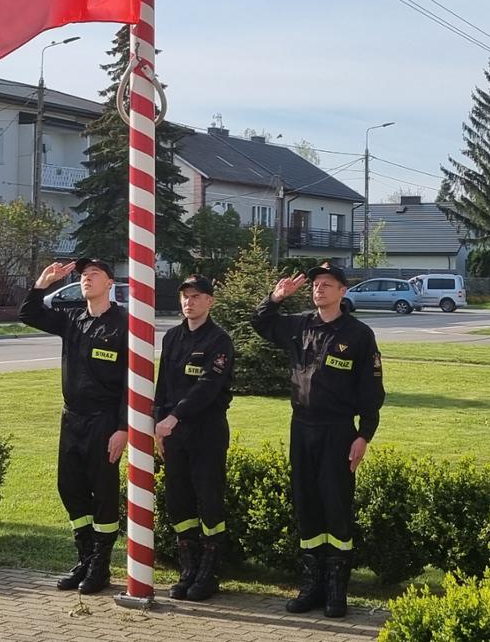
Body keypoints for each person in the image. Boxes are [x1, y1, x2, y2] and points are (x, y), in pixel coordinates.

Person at [253, 263, 384, 619]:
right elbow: (260, 323)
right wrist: (276, 298)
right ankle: (312, 587)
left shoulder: (358, 334)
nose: (319, 289)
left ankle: (336, 592)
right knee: (306, 505)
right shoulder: (299, 325)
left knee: (336, 507)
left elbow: (372, 391)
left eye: (327, 284)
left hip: (338, 430)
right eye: (315, 285)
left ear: (343, 291)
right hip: (303, 427)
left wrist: (364, 435)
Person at [21, 257, 127, 594]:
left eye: (95, 274)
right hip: (72, 418)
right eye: (83, 275)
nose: (87, 279)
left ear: (110, 282)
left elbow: (131, 381)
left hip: (104, 421)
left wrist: (123, 428)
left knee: (104, 493)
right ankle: (84, 557)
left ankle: (101, 565)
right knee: (70, 487)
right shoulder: (73, 319)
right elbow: (29, 314)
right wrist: (42, 284)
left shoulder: (123, 324)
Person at [154, 275, 236, 601]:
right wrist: (158, 422)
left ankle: (209, 572)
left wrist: (174, 417)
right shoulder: (173, 337)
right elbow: (162, 386)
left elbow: (207, 387)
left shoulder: (219, 341)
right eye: (185, 296)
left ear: (210, 301)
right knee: (179, 502)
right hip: (173, 433)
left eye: (197, 296)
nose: (189, 302)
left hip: (206, 431)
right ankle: (188, 569)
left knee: (209, 500)